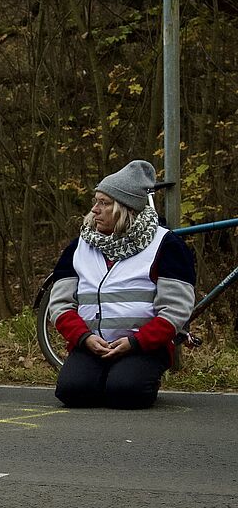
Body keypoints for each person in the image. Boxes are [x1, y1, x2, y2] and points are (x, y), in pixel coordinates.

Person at [45, 160, 195, 409]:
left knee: (127, 393)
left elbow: (176, 311)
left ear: (126, 209)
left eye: (104, 203)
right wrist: (83, 338)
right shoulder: (78, 247)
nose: (94, 210)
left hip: (143, 346)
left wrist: (135, 343)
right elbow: (60, 304)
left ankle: (126, 377)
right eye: (96, 201)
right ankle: (103, 377)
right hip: (91, 344)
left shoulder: (167, 246)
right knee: (72, 392)